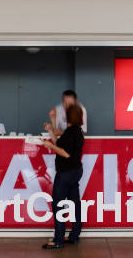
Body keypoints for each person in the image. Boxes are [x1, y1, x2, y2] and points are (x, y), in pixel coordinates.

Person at [41, 104, 85, 249]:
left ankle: (58, 239)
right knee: (74, 203)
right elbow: (59, 143)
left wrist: (49, 146)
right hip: (74, 171)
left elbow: (65, 153)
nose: (64, 117)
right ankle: (74, 236)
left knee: (58, 204)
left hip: (66, 173)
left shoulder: (72, 132)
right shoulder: (74, 131)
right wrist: (50, 132)